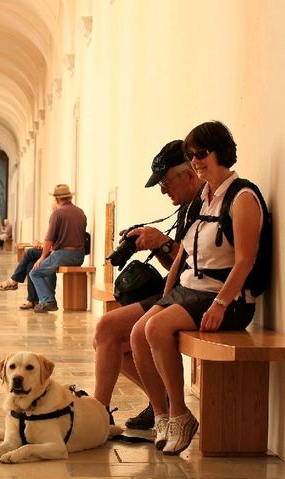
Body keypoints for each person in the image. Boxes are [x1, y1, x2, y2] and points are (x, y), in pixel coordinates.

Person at [130, 121, 263, 455]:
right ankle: (162, 415)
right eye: (191, 156)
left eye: (202, 153)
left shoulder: (242, 196)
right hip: (191, 291)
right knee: (138, 333)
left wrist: (220, 304)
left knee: (157, 328)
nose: (197, 161)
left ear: (221, 151)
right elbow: (185, 253)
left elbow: (245, 260)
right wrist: (167, 293)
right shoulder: (203, 200)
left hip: (224, 298)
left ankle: (180, 413)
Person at [92, 140, 205, 430]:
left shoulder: (208, 204)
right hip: (179, 291)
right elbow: (178, 266)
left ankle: (97, 415)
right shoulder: (186, 208)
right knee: (108, 336)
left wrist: (164, 242)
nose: (163, 190)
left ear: (189, 173)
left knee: (108, 330)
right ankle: (157, 401)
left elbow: (202, 265)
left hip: (194, 296)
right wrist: (157, 246)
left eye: (165, 183)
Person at [29, 184, 87, 313]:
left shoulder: (57, 213)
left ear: (56, 198)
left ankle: (47, 300)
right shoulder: (80, 212)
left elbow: (48, 239)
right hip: (79, 255)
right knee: (48, 270)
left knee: (35, 272)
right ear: (69, 197)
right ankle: (49, 301)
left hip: (64, 255)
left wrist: (42, 258)